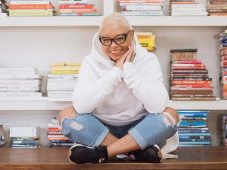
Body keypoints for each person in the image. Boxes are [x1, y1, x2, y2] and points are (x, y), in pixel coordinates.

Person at [58, 13, 180, 164]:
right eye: (106, 40)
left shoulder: (148, 60)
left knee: (171, 115)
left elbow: (158, 106)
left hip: (141, 127)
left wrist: (128, 70)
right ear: (99, 39)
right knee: (67, 115)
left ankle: (103, 153)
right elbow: (82, 107)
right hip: (101, 128)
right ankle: (133, 151)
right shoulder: (90, 62)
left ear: (131, 35)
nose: (113, 45)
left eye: (120, 38)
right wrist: (116, 72)